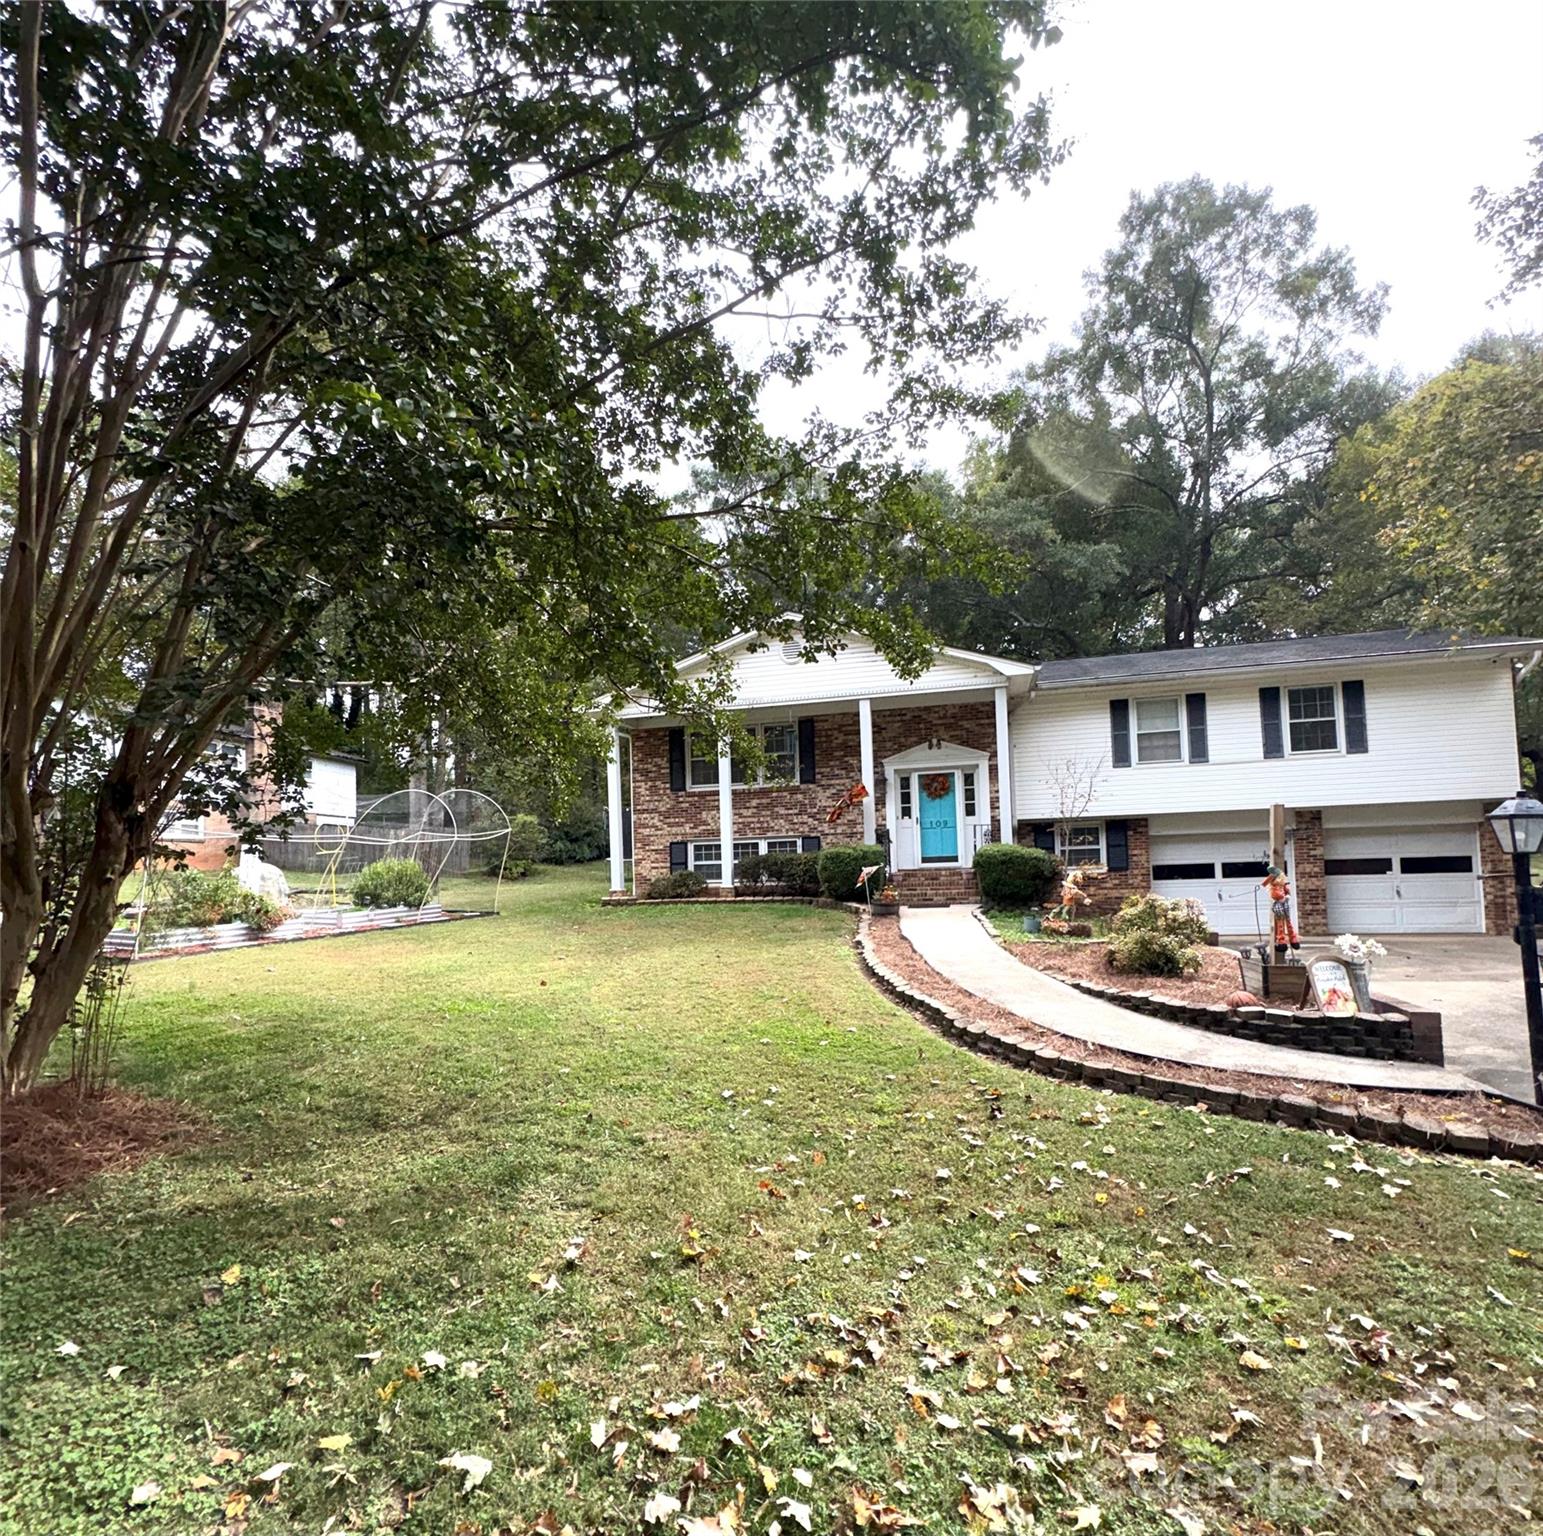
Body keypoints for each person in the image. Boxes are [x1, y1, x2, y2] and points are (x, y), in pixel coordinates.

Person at [1261, 863, 1300, 959]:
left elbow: (1287, 893)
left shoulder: (1283, 886)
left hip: (1285, 904)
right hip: (1278, 905)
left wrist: (1287, 896)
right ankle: (1281, 941)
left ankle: (1293, 939)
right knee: (1280, 924)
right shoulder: (1274, 888)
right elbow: (1273, 892)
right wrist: (1283, 897)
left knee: (1289, 922)